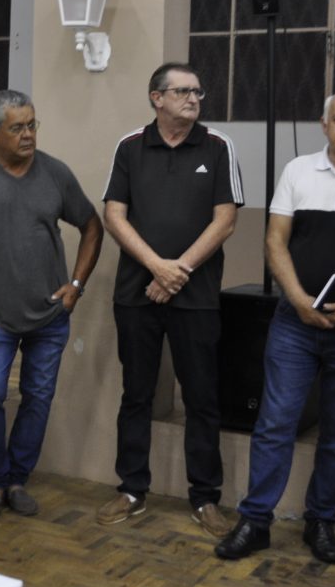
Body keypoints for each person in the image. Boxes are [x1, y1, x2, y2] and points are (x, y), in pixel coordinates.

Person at [215, 90, 335, 563]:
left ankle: (321, 521)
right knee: (274, 423)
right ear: (324, 125)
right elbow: (275, 240)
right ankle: (255, 521)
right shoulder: (298, 172)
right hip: (295, 324)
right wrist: (298, 300)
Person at [0, 89, 102, 522]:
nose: (28, 135)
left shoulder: (55, 173)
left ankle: (16, 480)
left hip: (50, 315)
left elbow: (92, 226)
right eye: (17, 128)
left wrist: (76, 285)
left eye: (32, 125)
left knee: (38, 397)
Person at [97, 62, 242, 539]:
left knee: (201, 397)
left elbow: (225, 220)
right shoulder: (130, 146)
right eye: (182, 91)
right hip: (136, 293)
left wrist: (177, 272)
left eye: (197, 92)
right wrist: (157, 267)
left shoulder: (217, 146)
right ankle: (131, 489)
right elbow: (114, 216)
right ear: (156, 98)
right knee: (136, 393)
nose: (194, 99)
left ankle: (205, 498)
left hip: (196, 296)